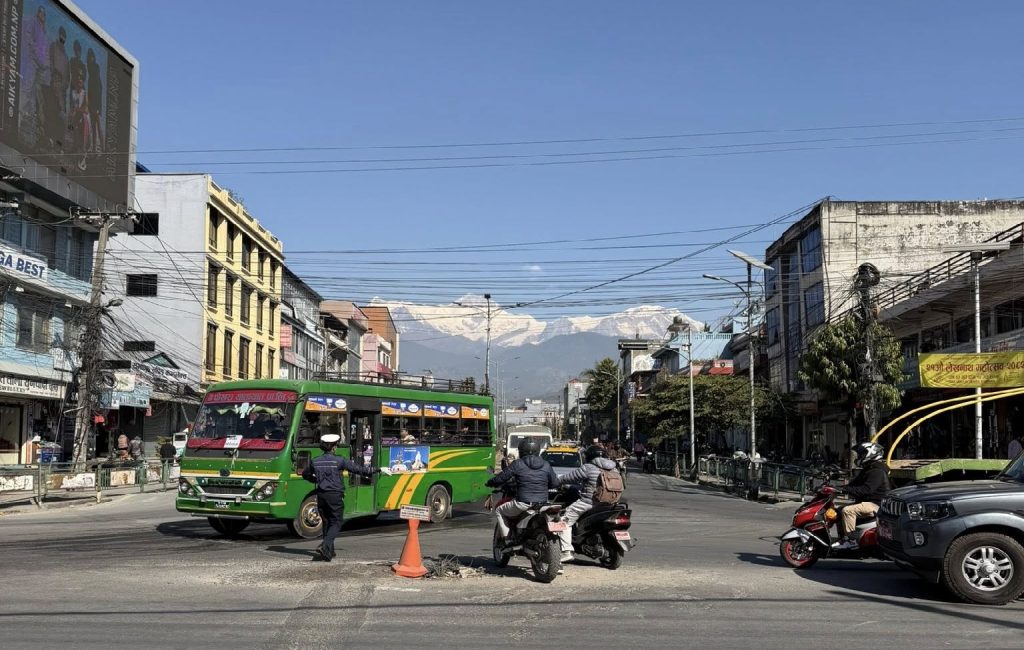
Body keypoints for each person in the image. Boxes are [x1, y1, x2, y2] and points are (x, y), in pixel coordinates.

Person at [301, 433, 382, 561]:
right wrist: (378, 469)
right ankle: (325, 545)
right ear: (333, 447)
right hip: (335, 495)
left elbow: (305, 474)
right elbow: (359, 470)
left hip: (321, 495)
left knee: (327, 523)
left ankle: (328, 553)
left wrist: (315, 481)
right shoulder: (339, 460)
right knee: (337, 522)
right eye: (336, 446)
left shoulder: (315, 461)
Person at [485, 438, 559, 543]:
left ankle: (507, 538)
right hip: (542, 504)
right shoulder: (546, 464)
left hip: (522, 503)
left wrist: (490, 482)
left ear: (521, 450)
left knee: (499, 510)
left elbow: (501, 478)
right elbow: (555, 483)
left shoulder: (518, 463)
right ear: (538, 450)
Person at [556, 445, 621, 562]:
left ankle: (566, 551)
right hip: (610, 504)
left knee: (564, 521)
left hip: (589, 503)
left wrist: (556, 481)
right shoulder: (614, 468)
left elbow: (569, 477)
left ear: (589, 456)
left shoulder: (588, 467)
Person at [833, 441, 890, 550]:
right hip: (867, 502)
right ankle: (843, 538)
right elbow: (854, 484)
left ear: (871, 453)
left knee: (848, 511)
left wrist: (845, 490)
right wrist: (837, 488)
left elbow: (867, 489)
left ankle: (851, 541)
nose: (860, 456)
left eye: (863, 454)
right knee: (839, 511)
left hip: (876, 504)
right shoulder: (869, 469)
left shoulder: (877, 471)